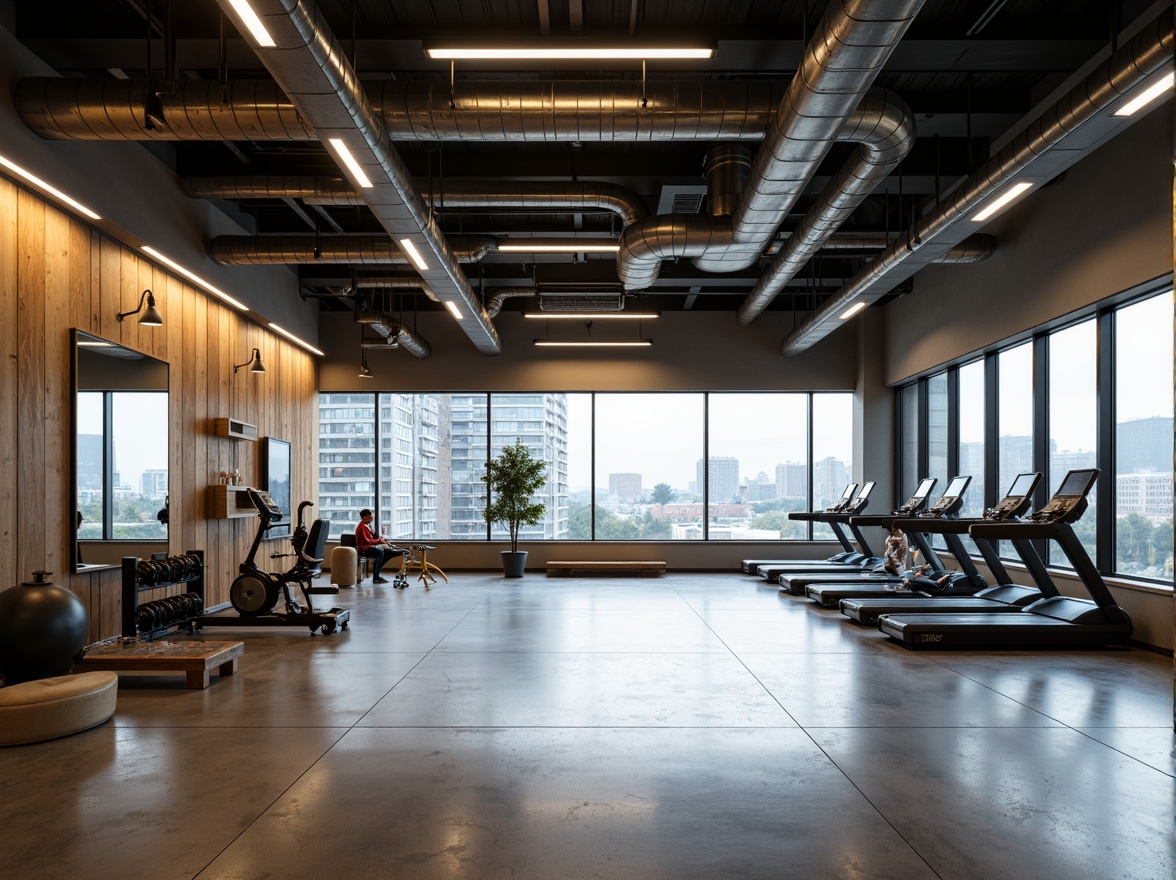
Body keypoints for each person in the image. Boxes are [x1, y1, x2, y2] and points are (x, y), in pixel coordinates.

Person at [355, 509, 402, 584]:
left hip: (369, 547)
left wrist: (382, 535)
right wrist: (380, 541)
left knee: (387, 552)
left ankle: (377, 570)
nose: (371, 519)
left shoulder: (367, 526)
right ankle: (376, 576)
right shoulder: (362, 528)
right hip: (364, 549)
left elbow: (374, 538)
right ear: (364, 517)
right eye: (370, 518)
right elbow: (369, 541)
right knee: (380, 552)